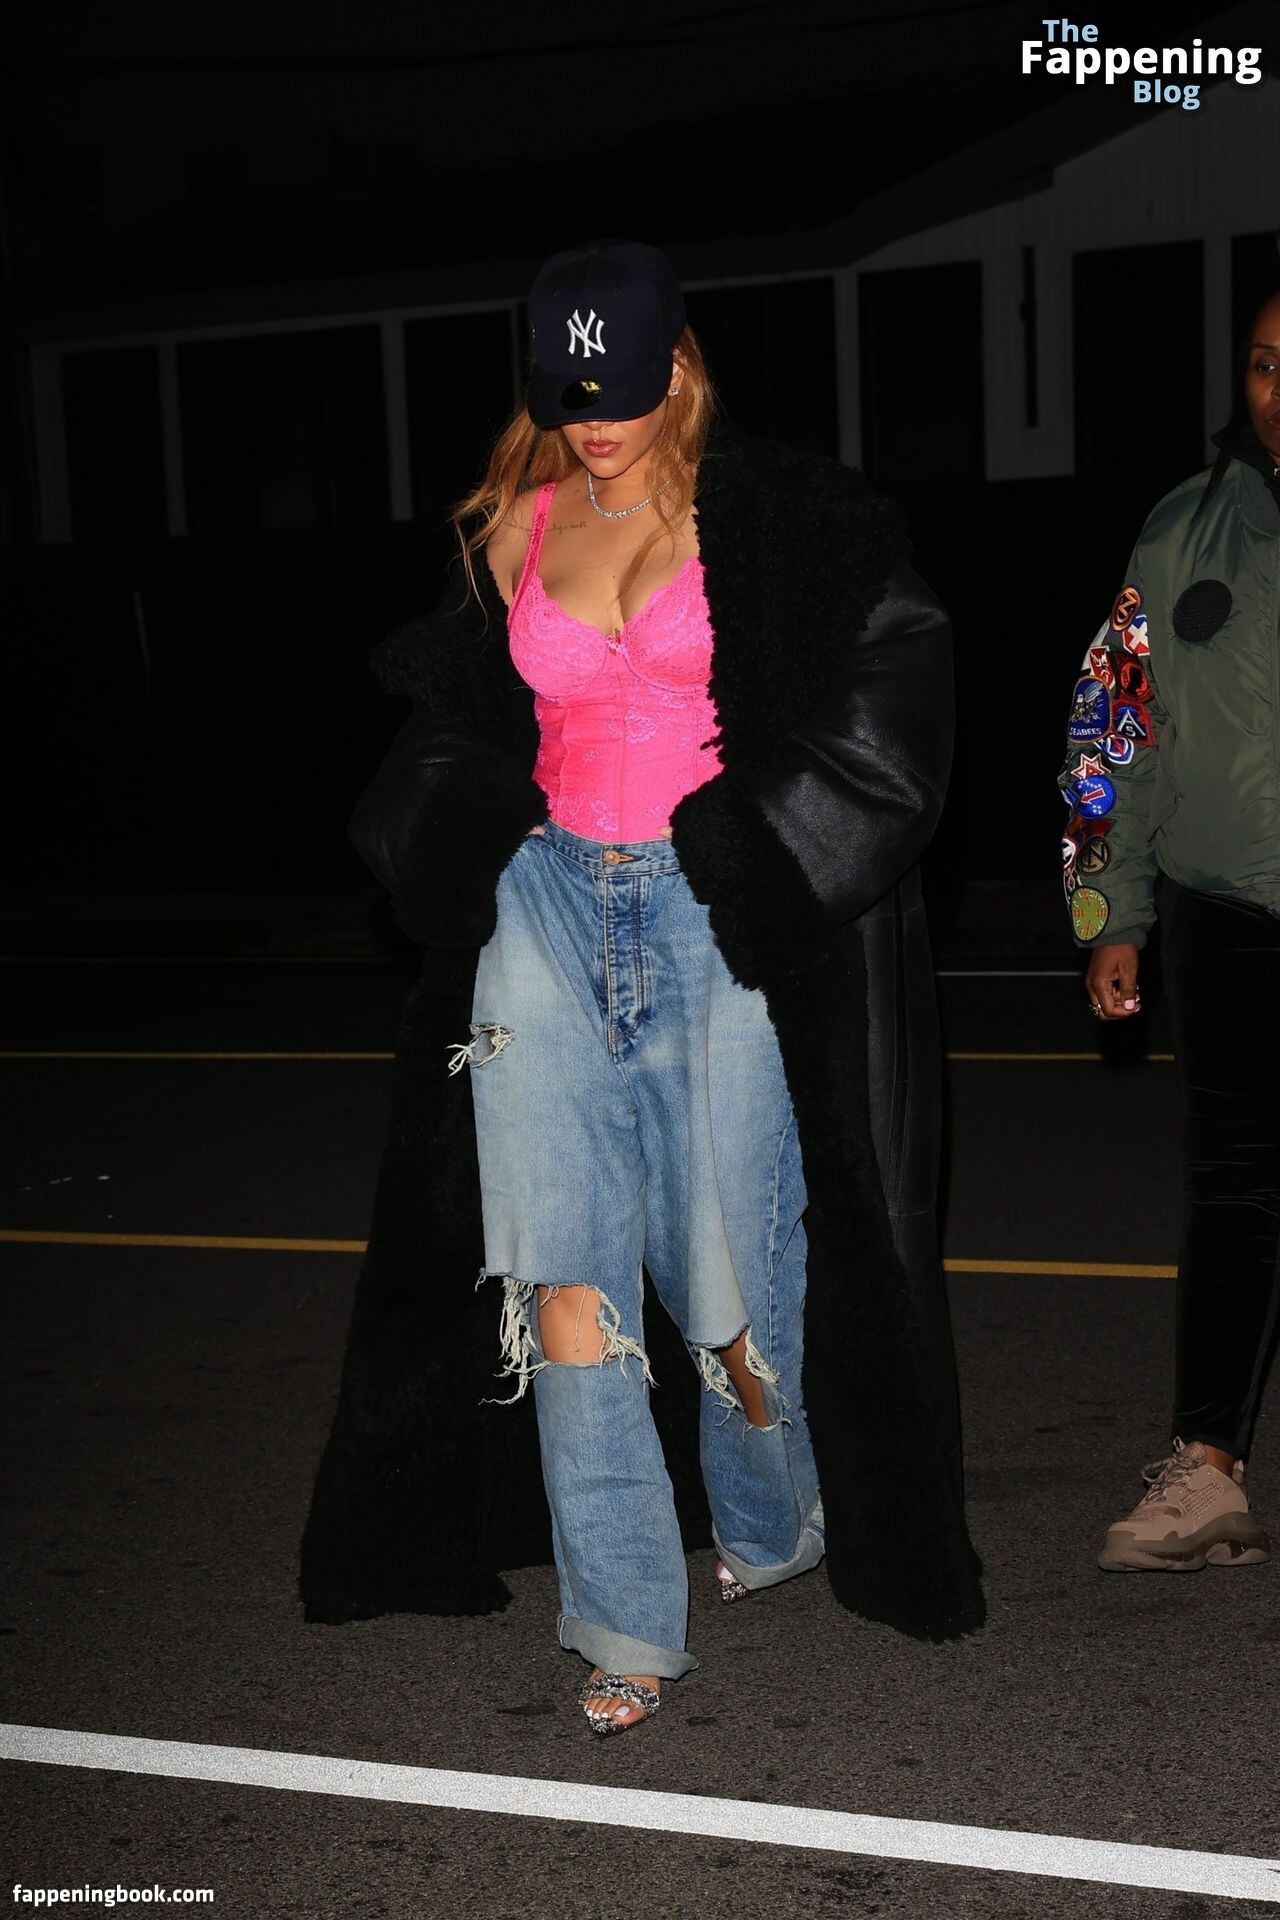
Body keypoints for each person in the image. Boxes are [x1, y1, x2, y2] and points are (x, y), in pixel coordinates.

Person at [301, 239, 984, 1732]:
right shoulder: (512, 527)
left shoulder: (774, 517)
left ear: (678, 366)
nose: (596, 421)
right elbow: (458, 725)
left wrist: (763, 846)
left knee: (731, 1273)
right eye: (571, 395)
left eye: (620, 391)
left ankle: (772, 1513)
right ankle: (620, 1620)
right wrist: (442, 839)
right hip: (545, 905)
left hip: (712, 906)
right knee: (563, 1268)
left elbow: (896, 693)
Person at [1057, 289, 1280, 1575]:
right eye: (1261, 365)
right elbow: (1113, 730)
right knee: (1232, 1189)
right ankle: (1206, 1469)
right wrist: (1111, 910)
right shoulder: (1178, 529)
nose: (1276, 391)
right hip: (1224, 914)